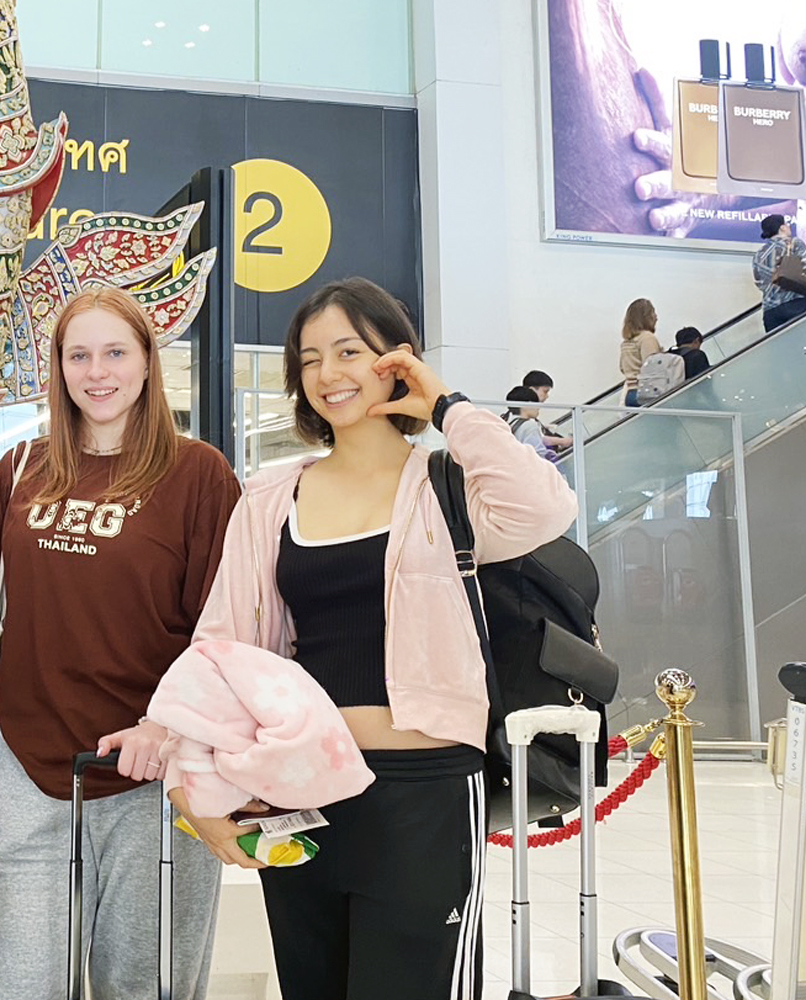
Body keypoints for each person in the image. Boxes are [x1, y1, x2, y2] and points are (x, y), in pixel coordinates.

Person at [104, 278, 576, 1000]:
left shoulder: (447, 489)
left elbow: (545, 507)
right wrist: (193, 789)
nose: (328, 374)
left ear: (396, 360)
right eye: (310, 357)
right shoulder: (270, 498)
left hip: (427, 793)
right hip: (302, 795)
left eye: (349, 351)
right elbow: (220, 652)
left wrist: (446, 405)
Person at [0, 286, 240, 1000]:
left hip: (158, 780)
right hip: (26, 774)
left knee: (146, 987)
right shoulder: (18, 470)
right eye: (79, 355)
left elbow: (227, 634)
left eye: (115, 352)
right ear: (58, 368)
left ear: (148, 362)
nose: (98, 372)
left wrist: (169, 728)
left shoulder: (199, 475)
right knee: (27, 986)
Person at [754, 215, 806, 333]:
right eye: (787, 224)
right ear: (782, 228)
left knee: (780, 350)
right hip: (797, 304)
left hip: (770, 311)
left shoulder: (759, 254)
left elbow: (758, 282)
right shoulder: (794, 243)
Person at [618, 298, 662, 406]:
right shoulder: (647, 338)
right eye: (653, 312)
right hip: (646, 393)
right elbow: (652, 366)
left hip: (630, 393)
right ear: (646, 317)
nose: (656, 317)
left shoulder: (627, 342)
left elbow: (622, 368)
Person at [520, 370, 573, 451]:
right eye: (545, 391)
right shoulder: (524, 413)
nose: (547, 396)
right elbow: (539, 438)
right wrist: (563, 441)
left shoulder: (528, 415)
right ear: (532, 390)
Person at [503, 386, 554, 460]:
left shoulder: (508, 422)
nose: (538, 407)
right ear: (526, 404)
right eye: (535, 403)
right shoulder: (530, 426)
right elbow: (538, 454)